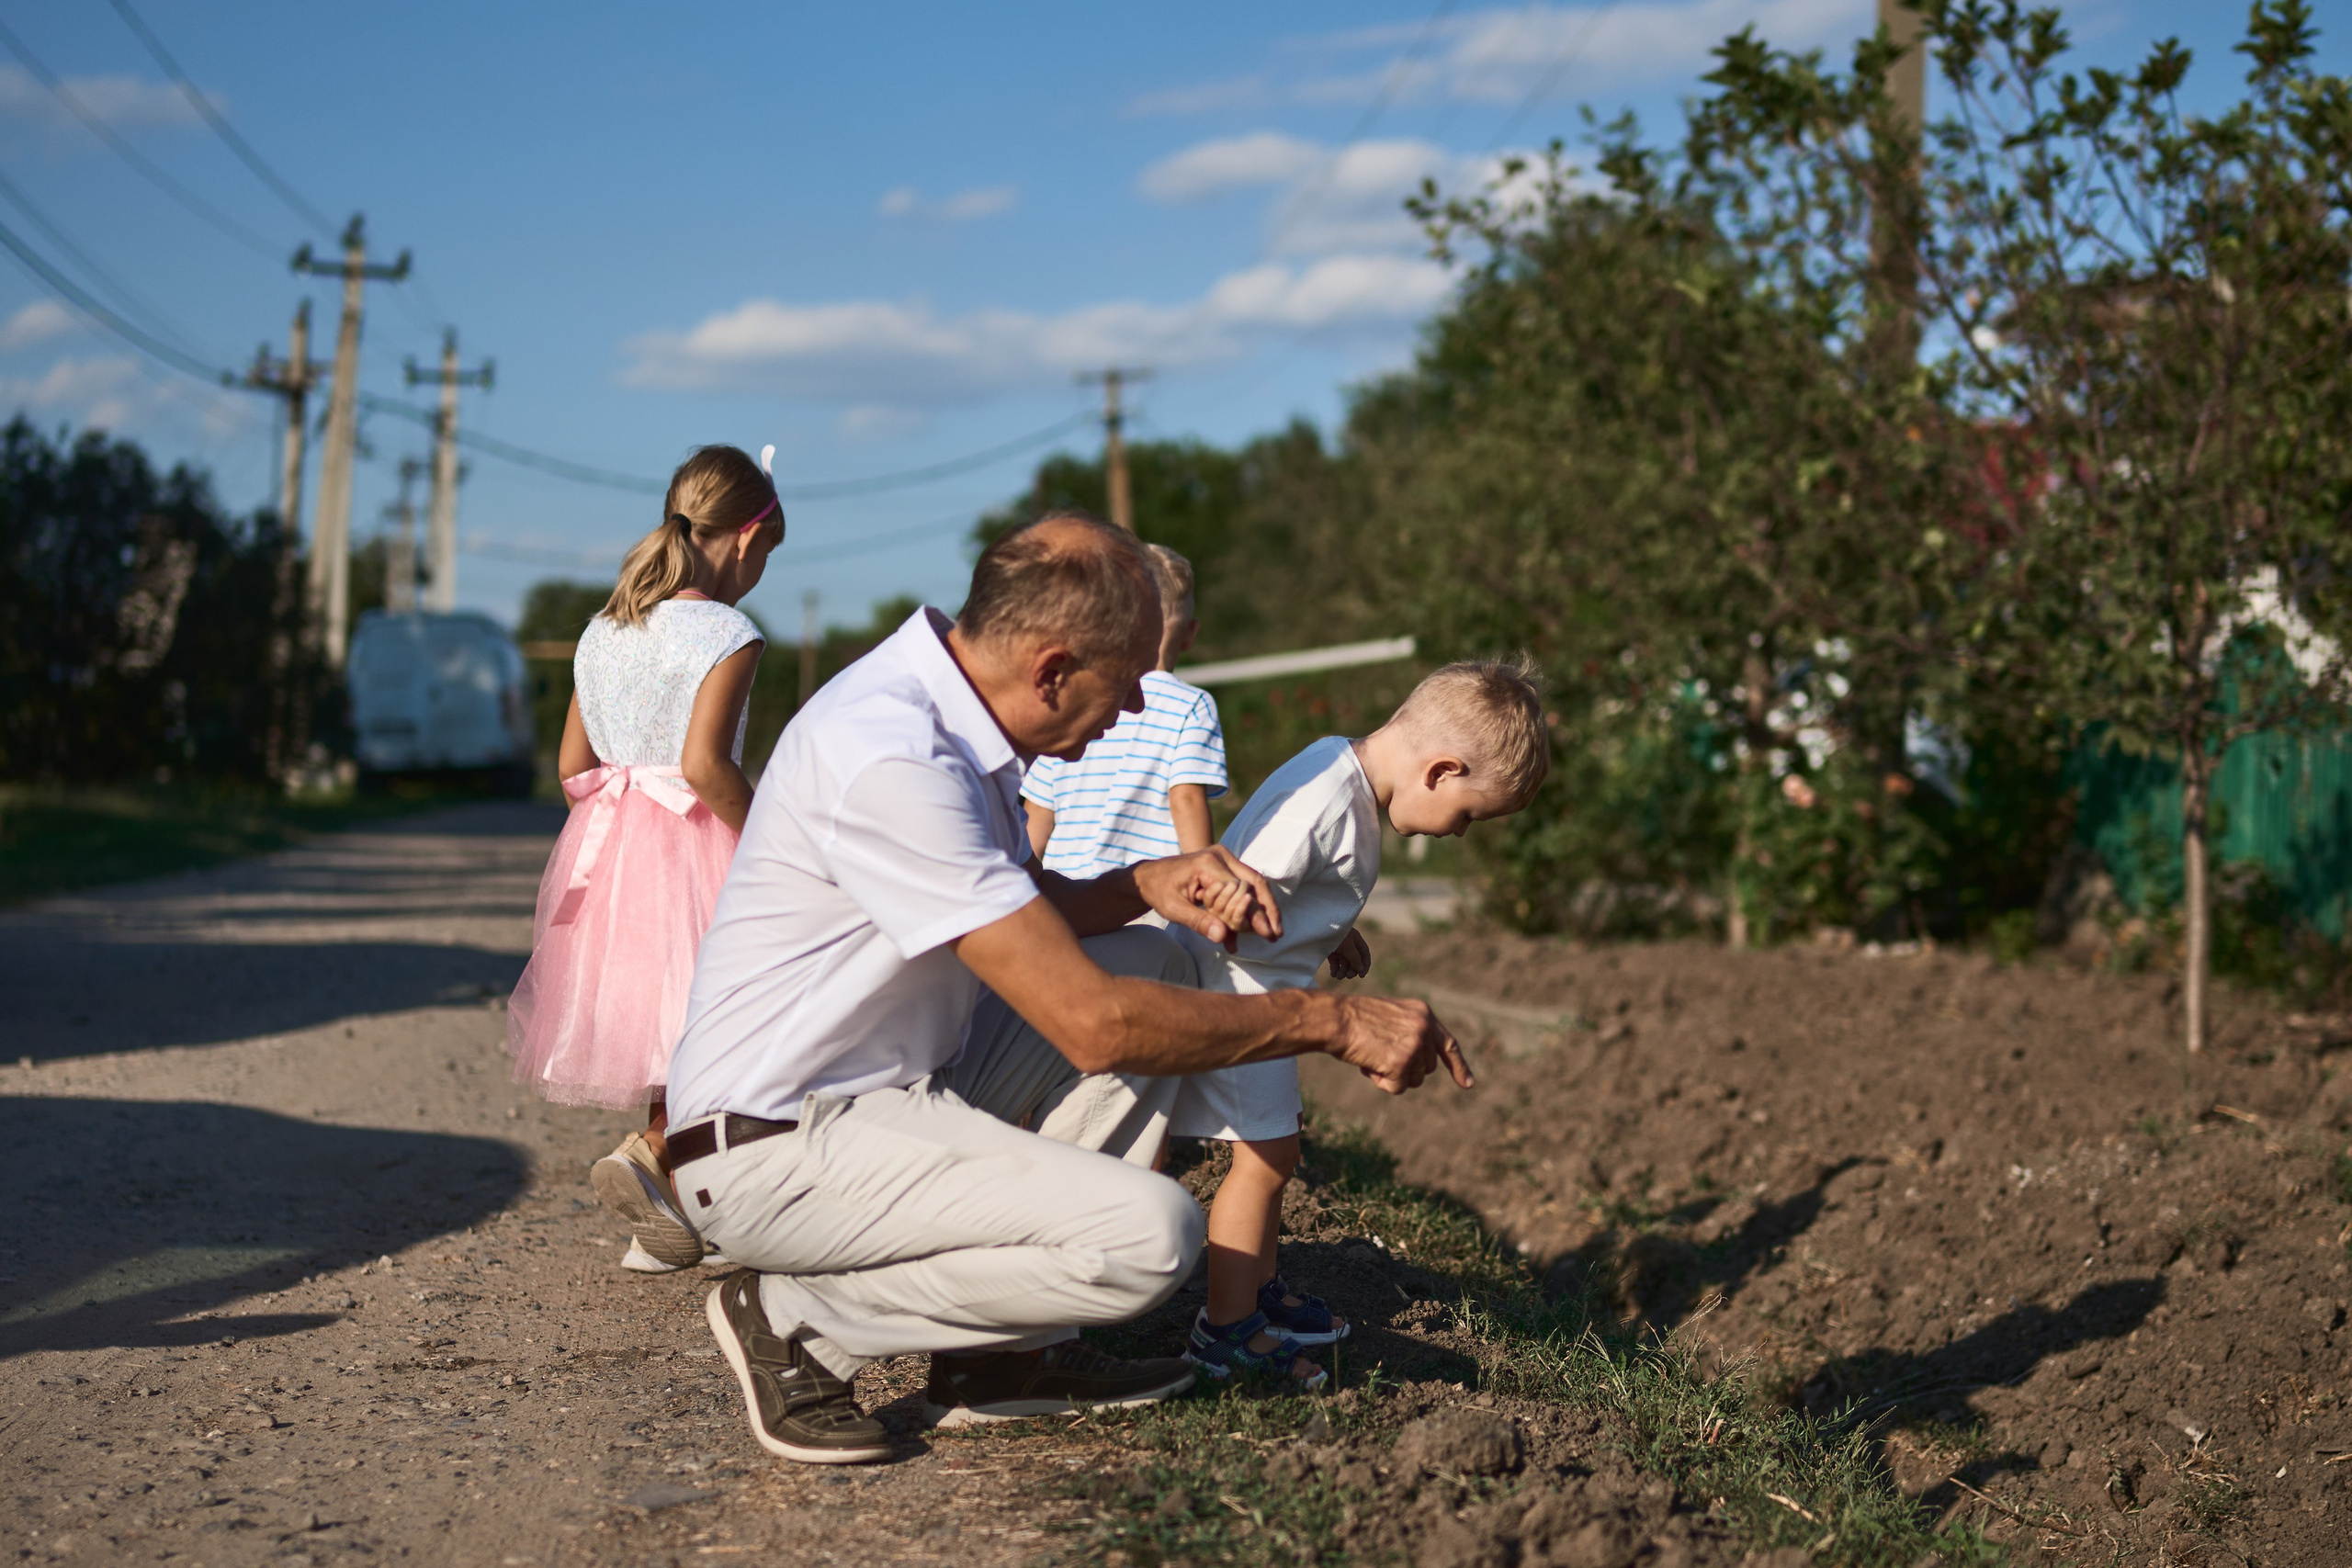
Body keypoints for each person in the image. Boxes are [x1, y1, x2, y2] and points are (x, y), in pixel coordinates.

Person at [661, 511, 1473, 1466]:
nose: (1133, 712)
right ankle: (795, 1322)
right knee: (1151, 1239)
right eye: (1124, 685)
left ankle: (1001, 1361)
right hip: (774, 1144)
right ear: (1051, 670)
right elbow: (1091, 1027)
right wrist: (1326, 1022)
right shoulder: (892, 756)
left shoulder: (950, 709)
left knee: (1156, 958)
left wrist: (1140, 885)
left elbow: (1009, 902)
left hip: (886, 1088)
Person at [1170, 659, 1549, 1388]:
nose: (1461, 832)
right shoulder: (1328, 799)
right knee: (1267, 1157)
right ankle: (1224, 1331)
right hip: (1241, 1001)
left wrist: (1328, 930)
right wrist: (1258, 932)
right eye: (1469, 813)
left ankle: (1256, 1294)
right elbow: (1240, 881)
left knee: (1279, 1147)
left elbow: (1298, 878)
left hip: (1261, 996)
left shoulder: (1340, 774)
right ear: (1441, 770)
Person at [505, 444, 782, 1274]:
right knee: (734, 1025)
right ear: (746, 536)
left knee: (669, 1026)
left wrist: (622, 833)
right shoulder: (729, 632)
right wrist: (774, 834)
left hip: (618, 836)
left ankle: (663, 1222)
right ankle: (671, 1173)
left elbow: (569, 768)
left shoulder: (604, 629)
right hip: (700, 831)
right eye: (766, 555)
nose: (760, 571)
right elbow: (705, 767)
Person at [1023, 542, 1227, 869]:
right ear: (1190, 634)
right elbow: (1186, 799)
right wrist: (1206, 875)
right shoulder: (1191, 705)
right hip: (1148, 900)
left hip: (1070, 900)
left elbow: (1037, 818)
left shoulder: (1073, 702)